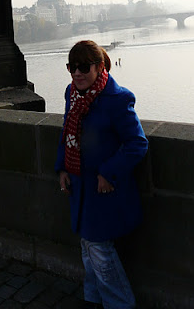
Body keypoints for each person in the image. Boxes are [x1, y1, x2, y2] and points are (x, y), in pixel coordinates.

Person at [55, 40, 148, 309]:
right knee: (89, 250)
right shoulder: (71, 93)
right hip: (80, 188)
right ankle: (93, 300)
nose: (77, 73)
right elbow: (66, 131)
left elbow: (137, 143)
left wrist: (108, 172)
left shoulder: (117, 99)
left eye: (84, 67)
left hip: (103, 192)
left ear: (99, 67)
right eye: (72, 67)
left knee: (100, 253)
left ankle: (120, 304)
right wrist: (62, 166)